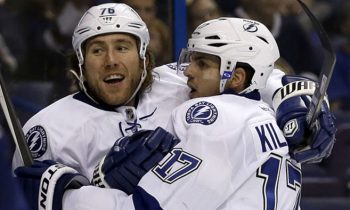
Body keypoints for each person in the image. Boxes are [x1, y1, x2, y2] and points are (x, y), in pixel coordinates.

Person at [14, 15, 336, 210]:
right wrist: (301, 92)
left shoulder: (210, 112)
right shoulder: (268, 116)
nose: (188, 72)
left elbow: (148, 207)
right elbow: (262, 75)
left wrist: (61, 198)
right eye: (97, 50)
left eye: (203, 63)